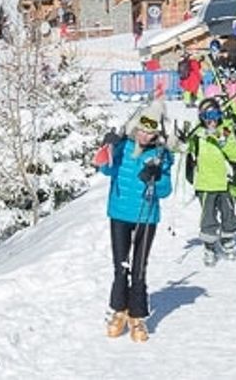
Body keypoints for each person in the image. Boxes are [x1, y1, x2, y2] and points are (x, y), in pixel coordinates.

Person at [93, 102, 174, 343]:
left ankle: (137, 316)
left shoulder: (161, 155)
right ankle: (119, 310)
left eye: (151, 132)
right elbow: (105, 169)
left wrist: (156, 179)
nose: (145, 136)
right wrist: (107, 146)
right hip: (119, 213)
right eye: (142, 129)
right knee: (121, 266)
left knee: (138, 268)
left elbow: (165, 190)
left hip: (145, 216)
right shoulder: (123, 146)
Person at [187, 99, 236, 265]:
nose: (211, 120)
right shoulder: (197, 134)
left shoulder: (225, 131)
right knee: (208, 217)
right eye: (207, 116)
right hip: (205, 184)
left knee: (229, 214)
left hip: (225, 182)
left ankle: (227, 238)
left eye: (215, 115)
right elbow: (184, 149)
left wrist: (224, 141)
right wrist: (180, 140)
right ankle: (210, 244)